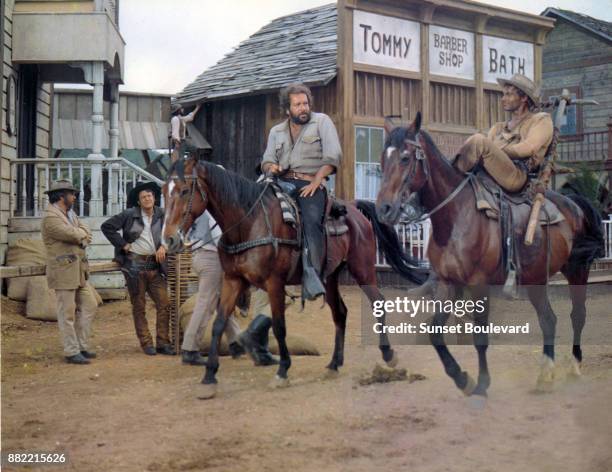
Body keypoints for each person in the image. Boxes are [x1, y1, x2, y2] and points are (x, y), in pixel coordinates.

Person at [261, 83, 342, 300]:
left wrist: (318, 179)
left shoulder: (322, 122)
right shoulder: (276, 131)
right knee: (258, 210)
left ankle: (312, 275)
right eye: (297, 105)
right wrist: (271, 167)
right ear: (287, 109)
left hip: (310, 184)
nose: (303, 108)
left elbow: (333, 156)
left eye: (305, 103)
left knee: (311, 220)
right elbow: (267, 160)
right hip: (282, 182)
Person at [101, 182, 174, 356]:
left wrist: (164, 246)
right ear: (139, 201)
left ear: (154, 198)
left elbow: (173, 232)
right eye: (143, 197)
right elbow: (107, 227)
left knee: (164, 303)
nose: (147, 199)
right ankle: (146, 343)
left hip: (155, 267)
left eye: (149, 196)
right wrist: (123, 245)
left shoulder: (162, 214)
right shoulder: (129, 215)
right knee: (139, 306)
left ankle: (163, 343)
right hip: (134, 266)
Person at [453, 73, 554, 192]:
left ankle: (452, 179)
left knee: (478, 140)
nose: (503, 99)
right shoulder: (498, 127)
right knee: (477, 143)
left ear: (524, 98)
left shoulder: (541, 120)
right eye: (503, 94)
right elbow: (485, 150)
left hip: (516, 175)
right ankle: (451, 172)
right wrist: (490, 152)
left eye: (509, 94)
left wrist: (494, 152)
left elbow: (529, 148)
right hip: (490, 170)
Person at [41, 179, 97, 364]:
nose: (74, 196)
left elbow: (86, 231)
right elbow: (73, 234)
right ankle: (71, 351)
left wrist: (81, 234)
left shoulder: (70, 214)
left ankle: (82, 345)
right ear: (61, 196)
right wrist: (80, 234)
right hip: (64, 270)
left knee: (90, 305)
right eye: (72, 193)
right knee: (67, 313)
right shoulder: (50, 217)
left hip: (79, 270)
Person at [181, 211, 245, 365]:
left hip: (200, 257)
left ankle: (236, 342)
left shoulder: (195, 212)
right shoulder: (210, 212)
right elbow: (219, 238)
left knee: (222, 302)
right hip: (212, 257)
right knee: (205, 304)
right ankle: (190, 349)